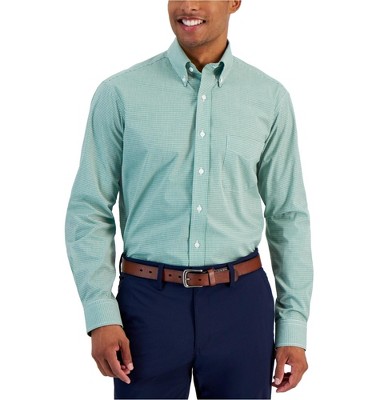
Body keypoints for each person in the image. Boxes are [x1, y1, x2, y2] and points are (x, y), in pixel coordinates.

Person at [65, 1, 313, 399]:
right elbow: (89, 208)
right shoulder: (120, 93)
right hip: (146, 307)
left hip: (241, 306)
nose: (188, 5)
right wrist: (100, 314)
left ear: (234, 2)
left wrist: (293, 327)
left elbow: (288, 216)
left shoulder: (269, 98)